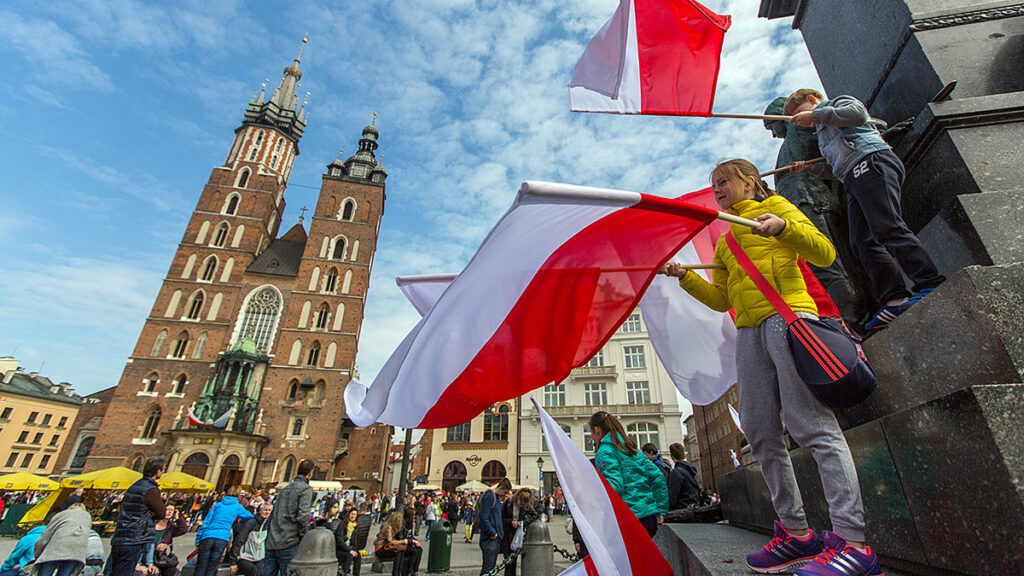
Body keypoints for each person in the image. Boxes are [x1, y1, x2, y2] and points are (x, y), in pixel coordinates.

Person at [663, 158, 880, 576]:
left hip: (789, 320)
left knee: (811, 426)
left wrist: (783, 228)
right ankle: (798, 534)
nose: (718, 189)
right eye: (714, 185)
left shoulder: (777, 207)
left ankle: (854, 543)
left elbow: (825, 251)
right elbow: (721, 300)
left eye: (724, 181)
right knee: (761, 433)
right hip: (749, 333)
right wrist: (685, 277)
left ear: (750, 181)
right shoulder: (727, 242)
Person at [786, 89, 945, 331]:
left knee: (888, 226)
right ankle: (894, 298)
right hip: (852, 176)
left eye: (799, 114)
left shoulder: (838, 104)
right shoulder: (822, 134)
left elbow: (857, 114)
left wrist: (816, 115)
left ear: (811, 100)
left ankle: (929, 281)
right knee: (861, 241)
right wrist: (810, 169)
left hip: (871, 162)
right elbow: (836, 167)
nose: (801, 121)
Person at [588, 412, 667, 537]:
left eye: (591, 432)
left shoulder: (604, 451)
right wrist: (661, 509)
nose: (592, 437)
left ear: (597, 430)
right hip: (648, 515)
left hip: (627, 519)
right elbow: (657, 476)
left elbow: (614, 486)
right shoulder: (633, 449)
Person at [111, 457, 167, 576]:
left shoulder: (134, 485)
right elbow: (162, 513)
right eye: (162, 470)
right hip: (135, 536)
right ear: (157, 471)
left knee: (117, 570)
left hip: (121, 535)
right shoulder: (151, 489)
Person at [263, 460, 314, 576]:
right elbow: (303, 516)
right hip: (289, 542)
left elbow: (273, 514)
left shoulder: (284, 489)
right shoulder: (305, 489)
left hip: (272, 542)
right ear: (310, 474)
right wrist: (303, 535)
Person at [195, 486, 254, 576]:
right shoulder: (238, 507)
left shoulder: (218, 505)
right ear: (239, 495)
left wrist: (198, 538)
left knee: (200, 566)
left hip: (208, 535)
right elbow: (250, 517)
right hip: (222, 538)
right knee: (212, 566)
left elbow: (206, 522)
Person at [27, 502, 91, 576]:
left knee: (46, 571)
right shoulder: (87, 517)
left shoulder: (62, 515)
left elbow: (45, 537)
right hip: (76, 553)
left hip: (56, 549)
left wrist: (38, 555)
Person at [477, 478, 510, 575]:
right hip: (489, 539)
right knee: (488, 568)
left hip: (494, 538)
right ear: (500, 488)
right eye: (505, 492)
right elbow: (484, 517)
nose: (505, 494)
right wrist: (492, 532)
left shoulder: (496, 497)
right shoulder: (490, 497)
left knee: (490, 567)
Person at [373, 510, 421, 576]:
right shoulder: (388, 527)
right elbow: (390, 540)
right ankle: (397, 573)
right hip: (380, 548)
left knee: (401, 551)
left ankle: (400, 572)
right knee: (399, 552)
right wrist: (402, 542)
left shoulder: (392, 527)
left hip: (386, 546)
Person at [229, 503, 272, 576]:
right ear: (260, 511)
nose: (267, 512)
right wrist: (233, 562)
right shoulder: (251, 523)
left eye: (269, 510)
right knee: (254, 572)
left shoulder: (268, 524)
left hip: (260, 558)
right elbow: (239, 541)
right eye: (265, 510)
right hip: (245, 557)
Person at [500, 489, 536, 576]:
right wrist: (511, 522)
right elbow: (501, 518)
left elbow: (535, 515)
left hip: (517, 535)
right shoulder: (508, 503)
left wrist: (523, 522)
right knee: (508, 560)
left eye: (523, 505)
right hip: (507, 534)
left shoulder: (526, 505)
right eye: (520, 503)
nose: (521, 506)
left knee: (514, 560)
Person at [150, 504, 189, 576]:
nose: (169, 512)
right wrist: (156, 547)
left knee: (172, 570)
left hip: (160, 558)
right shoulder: (151, 524)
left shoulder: (170, 528)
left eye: (172, 510)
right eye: (167, 509)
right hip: (147, 556)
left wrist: (178, 518)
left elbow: (183, 529)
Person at [334, 506, 369, 576]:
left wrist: (354, 550)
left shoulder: (356, 526)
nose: (353, 516)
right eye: (352, 514)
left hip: (350, 548)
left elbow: (355, 541)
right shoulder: (342, 525)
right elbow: (340, 541)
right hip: (340, 549)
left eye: (355, 515)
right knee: (349, 556)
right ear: (349, 514)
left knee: (357, 555)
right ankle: (344, 573)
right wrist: (350, 550)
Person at [665, 443, 700, 511]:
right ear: (684, 455)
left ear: (671, 456)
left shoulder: (676, 472)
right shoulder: (692, 470)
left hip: (681, 510)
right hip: (693, 508)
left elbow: (672, 497)